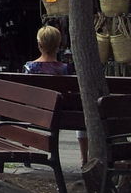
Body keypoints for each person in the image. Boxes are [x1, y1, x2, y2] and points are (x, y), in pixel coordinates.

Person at [24, 24, 87, 162]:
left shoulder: (29, 67)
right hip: (64, 116)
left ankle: (26, 150)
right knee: (82, 114)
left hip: (36, 114)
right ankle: (84, 157)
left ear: (39, 44)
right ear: (59, 45)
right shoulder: (65, 69)